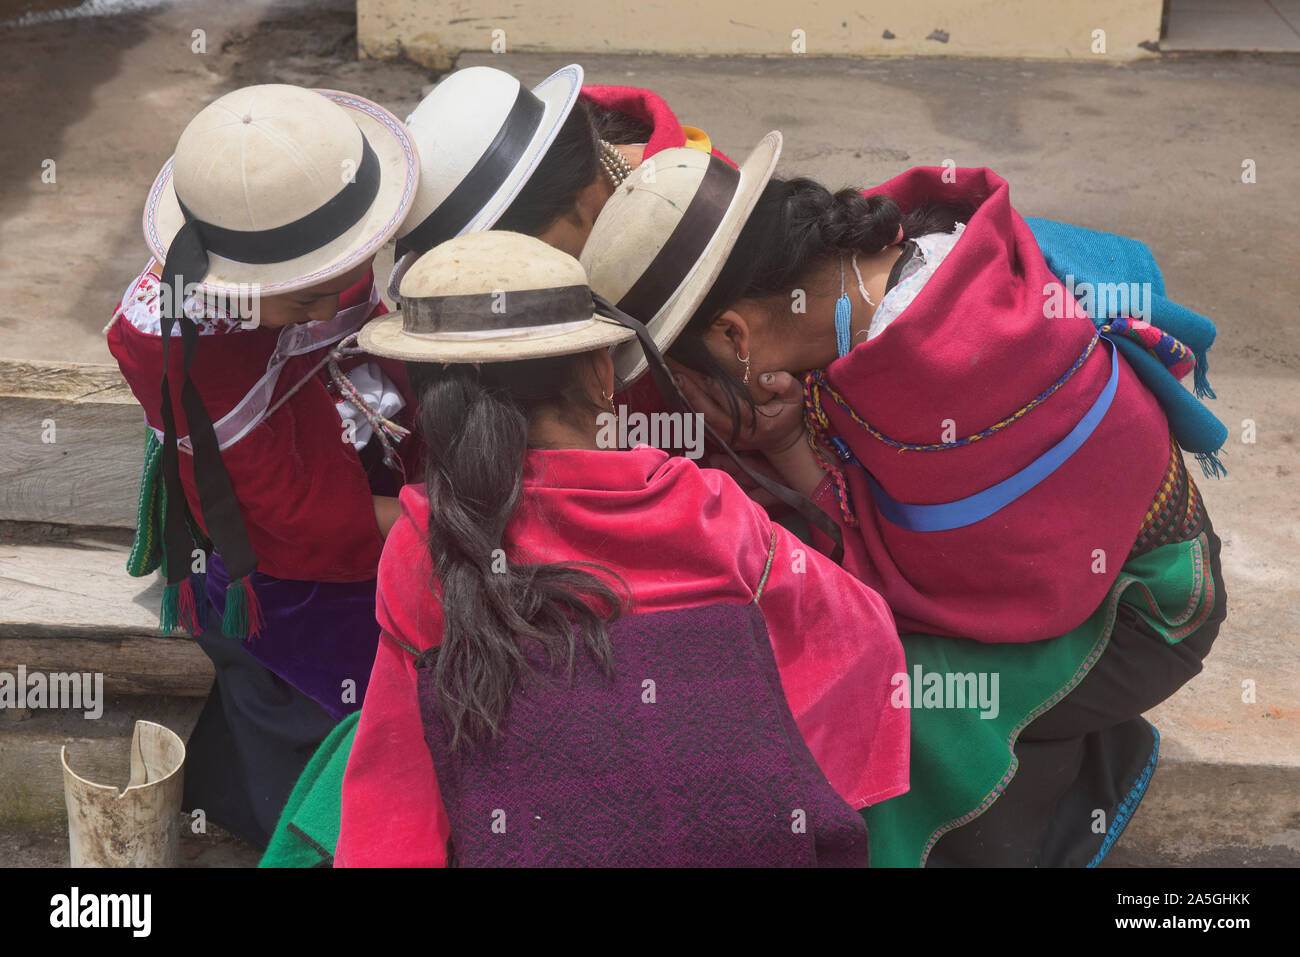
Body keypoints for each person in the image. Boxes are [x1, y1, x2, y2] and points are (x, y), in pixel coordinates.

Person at [581, 156, 1228, 866]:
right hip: (1060, 569)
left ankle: (1042, 793)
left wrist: (793, 444)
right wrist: (790, 445)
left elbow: (892, 596)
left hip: (1147, 604)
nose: (691, 400)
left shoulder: (956, 361)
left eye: (689, 376)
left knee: (875, 700)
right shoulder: (881, 276)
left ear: (736, 337)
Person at [332, 228, 909, 867]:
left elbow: (398, 776)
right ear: (603, 372)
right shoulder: (701, 507)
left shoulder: (425, 539)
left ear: (431, 395)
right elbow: (859, 636)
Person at [105, 82, 420, 847]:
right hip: (285, 551)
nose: (325, 312)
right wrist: (441, 518)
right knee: (314, 681)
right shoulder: (185, 349)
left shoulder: (323, 206)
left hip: (346, 443)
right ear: (234, 287)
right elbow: (296, 517)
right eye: (299, 301)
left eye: (332, 284)